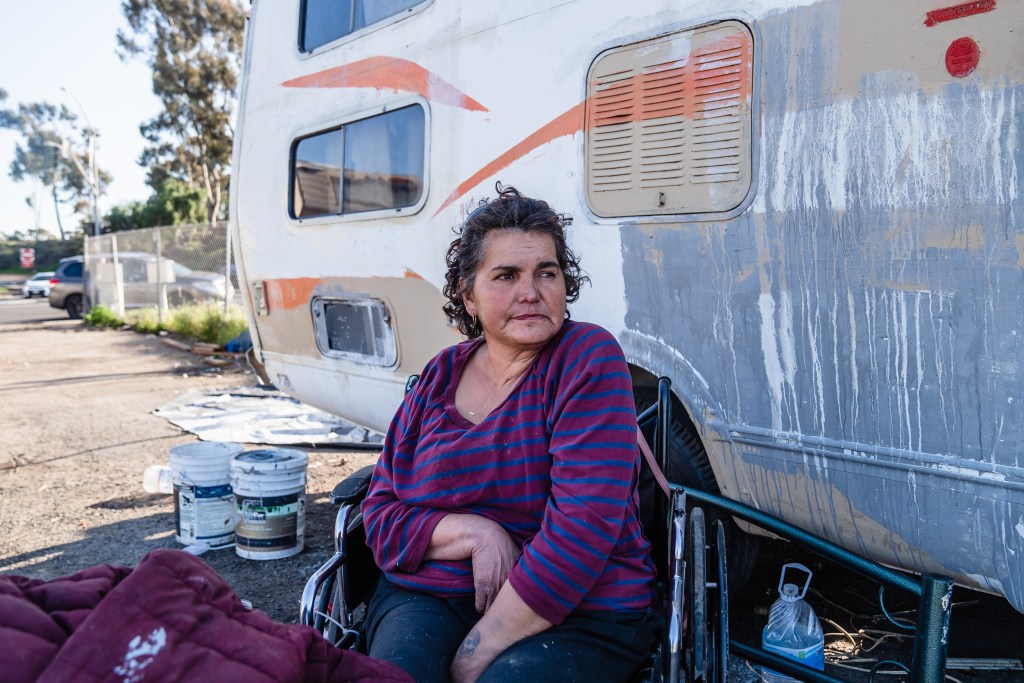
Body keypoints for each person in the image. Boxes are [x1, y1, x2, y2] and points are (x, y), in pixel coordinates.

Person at [361, 184, 661, 683]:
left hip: (579, 611)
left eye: (547, 272)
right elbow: (381, 514)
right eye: (506, 275)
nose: (531, 291)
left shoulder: (586, 359)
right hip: (430, 596)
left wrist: (476, 652)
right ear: (468, 296)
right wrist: (474, 532)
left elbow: (581, 531)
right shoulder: (438, 375)